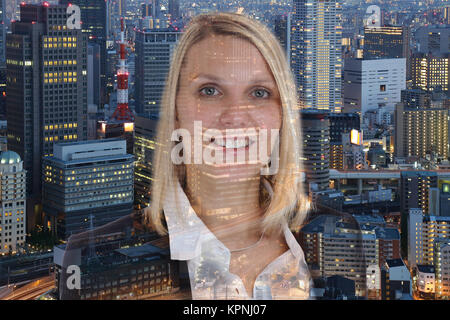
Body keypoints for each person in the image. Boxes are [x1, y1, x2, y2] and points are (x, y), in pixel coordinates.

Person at [144, 12, 312, 300]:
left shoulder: (321, 240)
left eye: (259, 93)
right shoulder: (116, 254)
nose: (235, 116)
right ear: (176, 112)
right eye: (210, 91)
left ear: (281, 115)